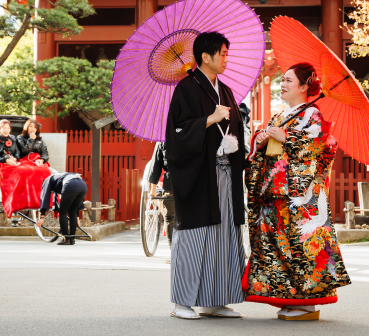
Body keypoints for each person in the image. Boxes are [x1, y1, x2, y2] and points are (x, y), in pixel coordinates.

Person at [245, 63, 351, 321]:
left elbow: (316, 146)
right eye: (283, 80)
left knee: (301, 246)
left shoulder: (312, 114)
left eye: (289, 80)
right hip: (273, 189)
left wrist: (286, 137)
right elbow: (264, 149)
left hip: (297, 197)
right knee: (278, 247)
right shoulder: (282, 115)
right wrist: (261, 138)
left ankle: (309, 303)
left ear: (305, 86)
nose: (283, 84)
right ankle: (292, 297)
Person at [164, 31, 246, 320]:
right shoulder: (186, 88)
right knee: (194, 237)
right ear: (205, 57)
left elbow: (236, 128)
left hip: (225, 176)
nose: (226, 58)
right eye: (222, 53)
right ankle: (182, 302)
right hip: (199, 176)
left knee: (223, 236)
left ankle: (216, 299)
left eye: (226, 53)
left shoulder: (225, 91)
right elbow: (175, 135)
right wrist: (209, 119)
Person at [36, 172, 87, 245]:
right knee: (72, 212)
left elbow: (44, 198)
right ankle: (72, 239)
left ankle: (65, 238)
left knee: (63, 212)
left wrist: (42, 217)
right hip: (82, 185)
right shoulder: (59, 177)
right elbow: (75, 203)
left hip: (70, 184)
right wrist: (77, 217)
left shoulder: (47, 181)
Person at [147, 142, 175, 249]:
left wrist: (153, 190)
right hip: (189, 182)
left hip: (170, 183)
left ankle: (174, 252)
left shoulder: (163, 139)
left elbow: (156, 165)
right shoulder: (190, 131)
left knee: (170, 219)